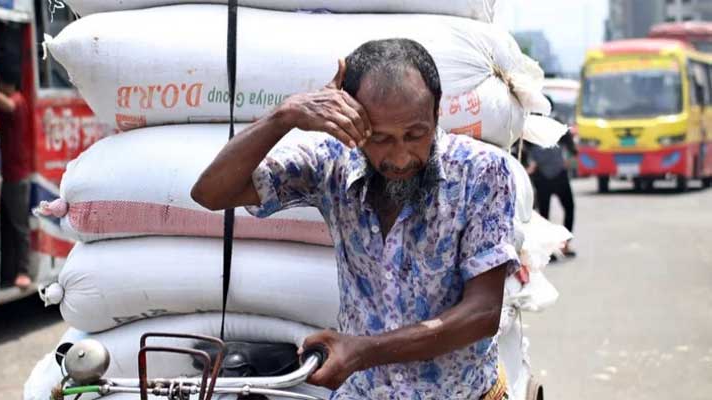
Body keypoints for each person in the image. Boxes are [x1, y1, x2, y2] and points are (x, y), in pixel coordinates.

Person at [192, 39, 518, 399]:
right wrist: (285, 116)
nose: (400, 157)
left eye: (415, 134)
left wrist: (363, 350)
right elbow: (211, 193)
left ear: (437, 111)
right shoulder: (330, 164)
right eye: (379, 138)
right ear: (352, 121)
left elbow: (483, 312)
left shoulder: (482, 172)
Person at [0, 63, 32, 289]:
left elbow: (7, 105)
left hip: (16, 176)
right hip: (5, 174)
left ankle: (24, 271)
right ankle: (8, 272)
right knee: (7, 228)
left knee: (19, 227)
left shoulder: (18, 101)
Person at [526, 105, 577, 258]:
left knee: (568, 207)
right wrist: (529, 165)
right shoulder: (528, 125)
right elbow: (521, 149)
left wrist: (571, 156)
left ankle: (565, 245)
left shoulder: (554, 122)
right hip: (542, 176)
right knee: (544, 215)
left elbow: (569, 141)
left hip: (557, 174)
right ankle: (548, 250)